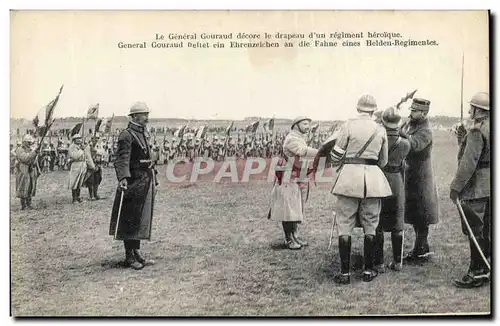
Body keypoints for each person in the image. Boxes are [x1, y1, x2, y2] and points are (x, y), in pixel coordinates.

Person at [314, 94, 391, 284]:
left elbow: (337, 152)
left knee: (344, 224)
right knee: (370, 225)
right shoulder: (380, 129)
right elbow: (384, 160)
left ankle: (345, 273)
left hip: (348, 178)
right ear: (373, 110)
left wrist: (343, 168)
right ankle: (367, 271)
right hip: (373, 180)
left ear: (358, 109)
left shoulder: (348, 125)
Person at [109, 101, 157, 270]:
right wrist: (122, 178)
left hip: (144, 180)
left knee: (139, 217)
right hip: (132, 182)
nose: (147, 118)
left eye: (147, 114)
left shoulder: (143, 133)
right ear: (135, 116)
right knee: (129, 218)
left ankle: (136, 252)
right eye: (144, 115)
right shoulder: (126, 135)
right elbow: (121, 158)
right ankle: (129, 256)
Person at [450, 92, 490, 288]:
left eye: (472, 108)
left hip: (477, 188)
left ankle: (477, 272)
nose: (469, 111)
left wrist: (456, 187)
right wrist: (462, 139)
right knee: (489, 230)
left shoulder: (476, 131)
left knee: (476, 231)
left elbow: (469, 162)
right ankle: (488, 266)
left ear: (478, 110)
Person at [268, 116, 318, 250]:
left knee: (295, 207)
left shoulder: (299, 137)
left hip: (296, 175)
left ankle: (294, 236)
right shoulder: (292, 139)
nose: (308, 127)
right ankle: (288, 239)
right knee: (288, 208)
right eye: (305, 124)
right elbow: (302, 151)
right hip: (287, 175)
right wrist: (321, 152)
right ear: (296, 124)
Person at [399, 98, 439, 262]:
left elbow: (415, 145)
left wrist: (401, 134)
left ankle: (421, 248)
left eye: (414, 111)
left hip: (422, 177)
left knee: (422, 213)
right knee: (416, 212)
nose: (411, 113)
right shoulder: (413, 125)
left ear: (423, 113)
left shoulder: (426, 130)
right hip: (413, 175)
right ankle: (420, 247)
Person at [373, 107, 411, 272]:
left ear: (383, 122)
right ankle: (397, 262)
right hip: (396, 181)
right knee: (397, 221)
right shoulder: (405, 143)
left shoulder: (378, 139)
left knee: (378, 222)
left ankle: (379, 263)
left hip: (380, 179)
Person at [15, 134, 40, 210]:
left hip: (31, 169)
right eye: (28, 142)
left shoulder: (31, 149)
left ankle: (29, 203)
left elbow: (34, 159)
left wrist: (38, 169)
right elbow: (25, 158)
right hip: (23, 170)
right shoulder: (20, 149)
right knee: (23, 186)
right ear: (24, 142)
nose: (30, 144)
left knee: (30, 186)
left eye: (30, 142)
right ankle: (23, 205)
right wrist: (34, 152)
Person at [68, 134, 87, 203]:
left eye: (80, 138)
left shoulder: (80, 146)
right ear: (74, 140)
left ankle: (78, 196)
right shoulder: (72, 147)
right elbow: (74, 156)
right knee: (75, 181)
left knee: (80, 182)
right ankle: (74, 198)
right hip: (76, 164)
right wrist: (81, 150)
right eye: (77, 139)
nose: (79, 140)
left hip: (82, 164)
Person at [83, 134, 104, 200]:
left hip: (98, 165)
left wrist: (97, 151)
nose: (96, 140)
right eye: (95, 138)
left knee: (97, 180)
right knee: (90, 181)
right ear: (92, 139)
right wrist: (92, 166)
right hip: (91, 166)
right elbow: (87, 157)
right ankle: (91, 195)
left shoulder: (99, 146)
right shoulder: (88, 147)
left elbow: (102, 153)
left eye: (97, 138)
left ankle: (95, 193)